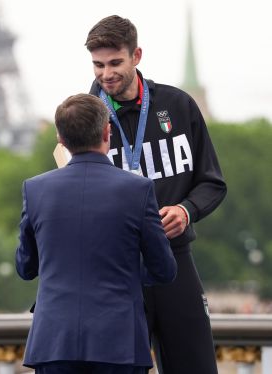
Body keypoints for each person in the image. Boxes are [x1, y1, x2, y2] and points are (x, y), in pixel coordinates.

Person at [85, 15, 227, 374]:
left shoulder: (179, 105)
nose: (106, 74)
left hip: (175, 260)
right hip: (115, 269)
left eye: (115, 62)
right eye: (98, 65)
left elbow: (212, 182)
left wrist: (187, 210)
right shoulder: (84, 117)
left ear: (137, 56)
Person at [15, 93, 177, 374]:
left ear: (60, 139)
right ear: (107, 132)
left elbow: (25, 267)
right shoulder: (138, 190)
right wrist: (126, 270)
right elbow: (164, 270)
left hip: (54, 342)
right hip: (119, 342)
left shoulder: (35, 189)